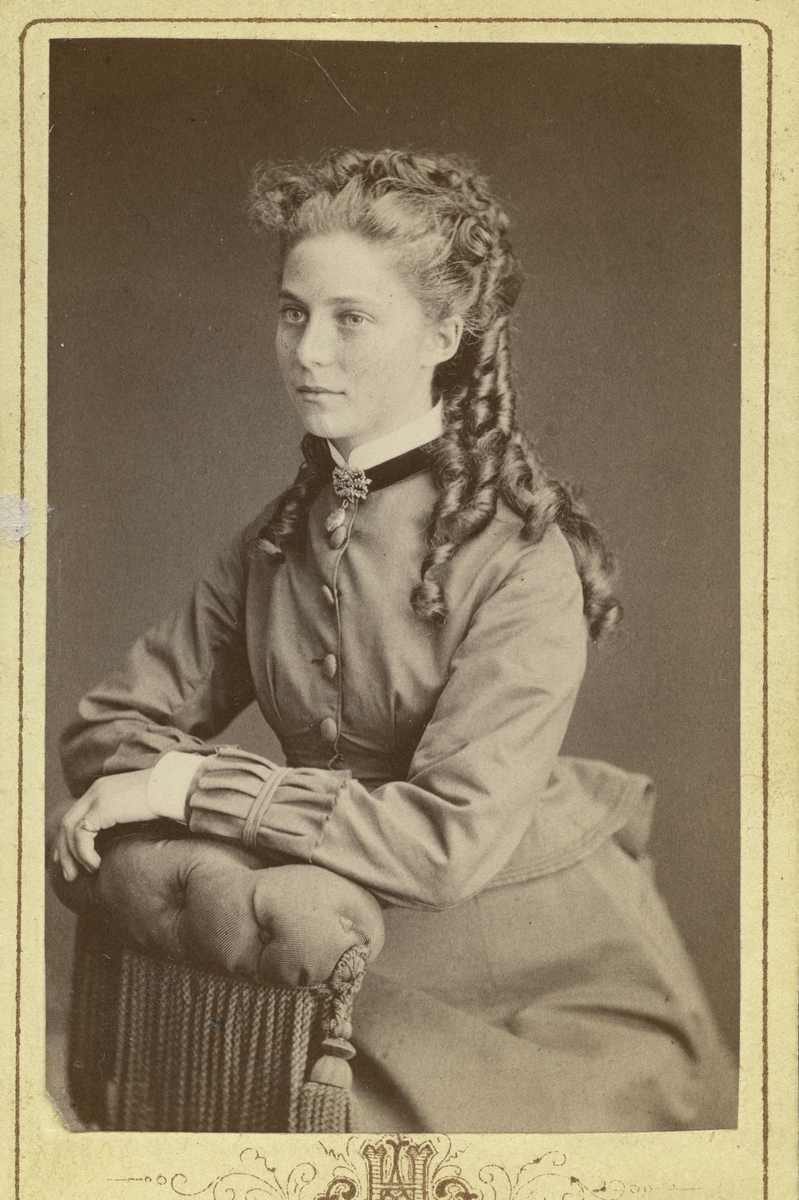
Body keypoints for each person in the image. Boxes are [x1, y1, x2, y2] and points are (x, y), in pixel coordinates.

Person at [53, 148, 737, 1132]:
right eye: (293, 312)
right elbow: (104, 729)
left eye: (351, 318)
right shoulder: (276, 541)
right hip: (331, 949)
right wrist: (180, 790)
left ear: (442, 336)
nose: (308, 352)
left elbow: (445, 845)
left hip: (528, 979)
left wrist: (187, 788)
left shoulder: (520, 562)